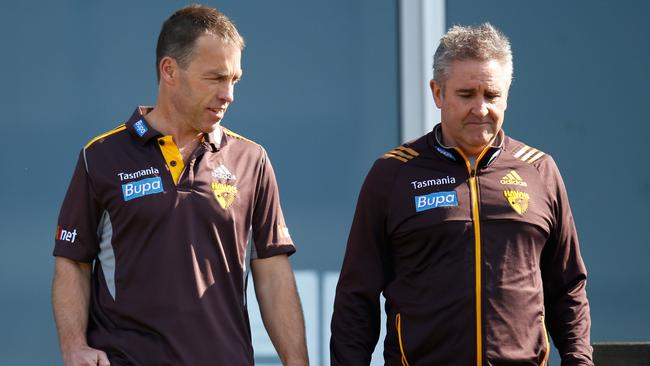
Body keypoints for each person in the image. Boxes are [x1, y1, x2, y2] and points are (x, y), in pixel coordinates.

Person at [52, 5, 308, 366]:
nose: (228, 94)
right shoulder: (101, 157)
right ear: (169, 70)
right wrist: (74, 346)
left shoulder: (252, 160)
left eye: (234, 80)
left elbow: (272, 274)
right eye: (215, 78)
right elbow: (72, 261)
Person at [330, 23, 592, 365]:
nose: (480, 108)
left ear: (507, 95)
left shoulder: (540, 170)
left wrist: (580, 360)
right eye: (467, 94)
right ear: (437, 93)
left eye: (492, 95)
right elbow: (356, 297)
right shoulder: (393, 174)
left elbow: (568, 287)